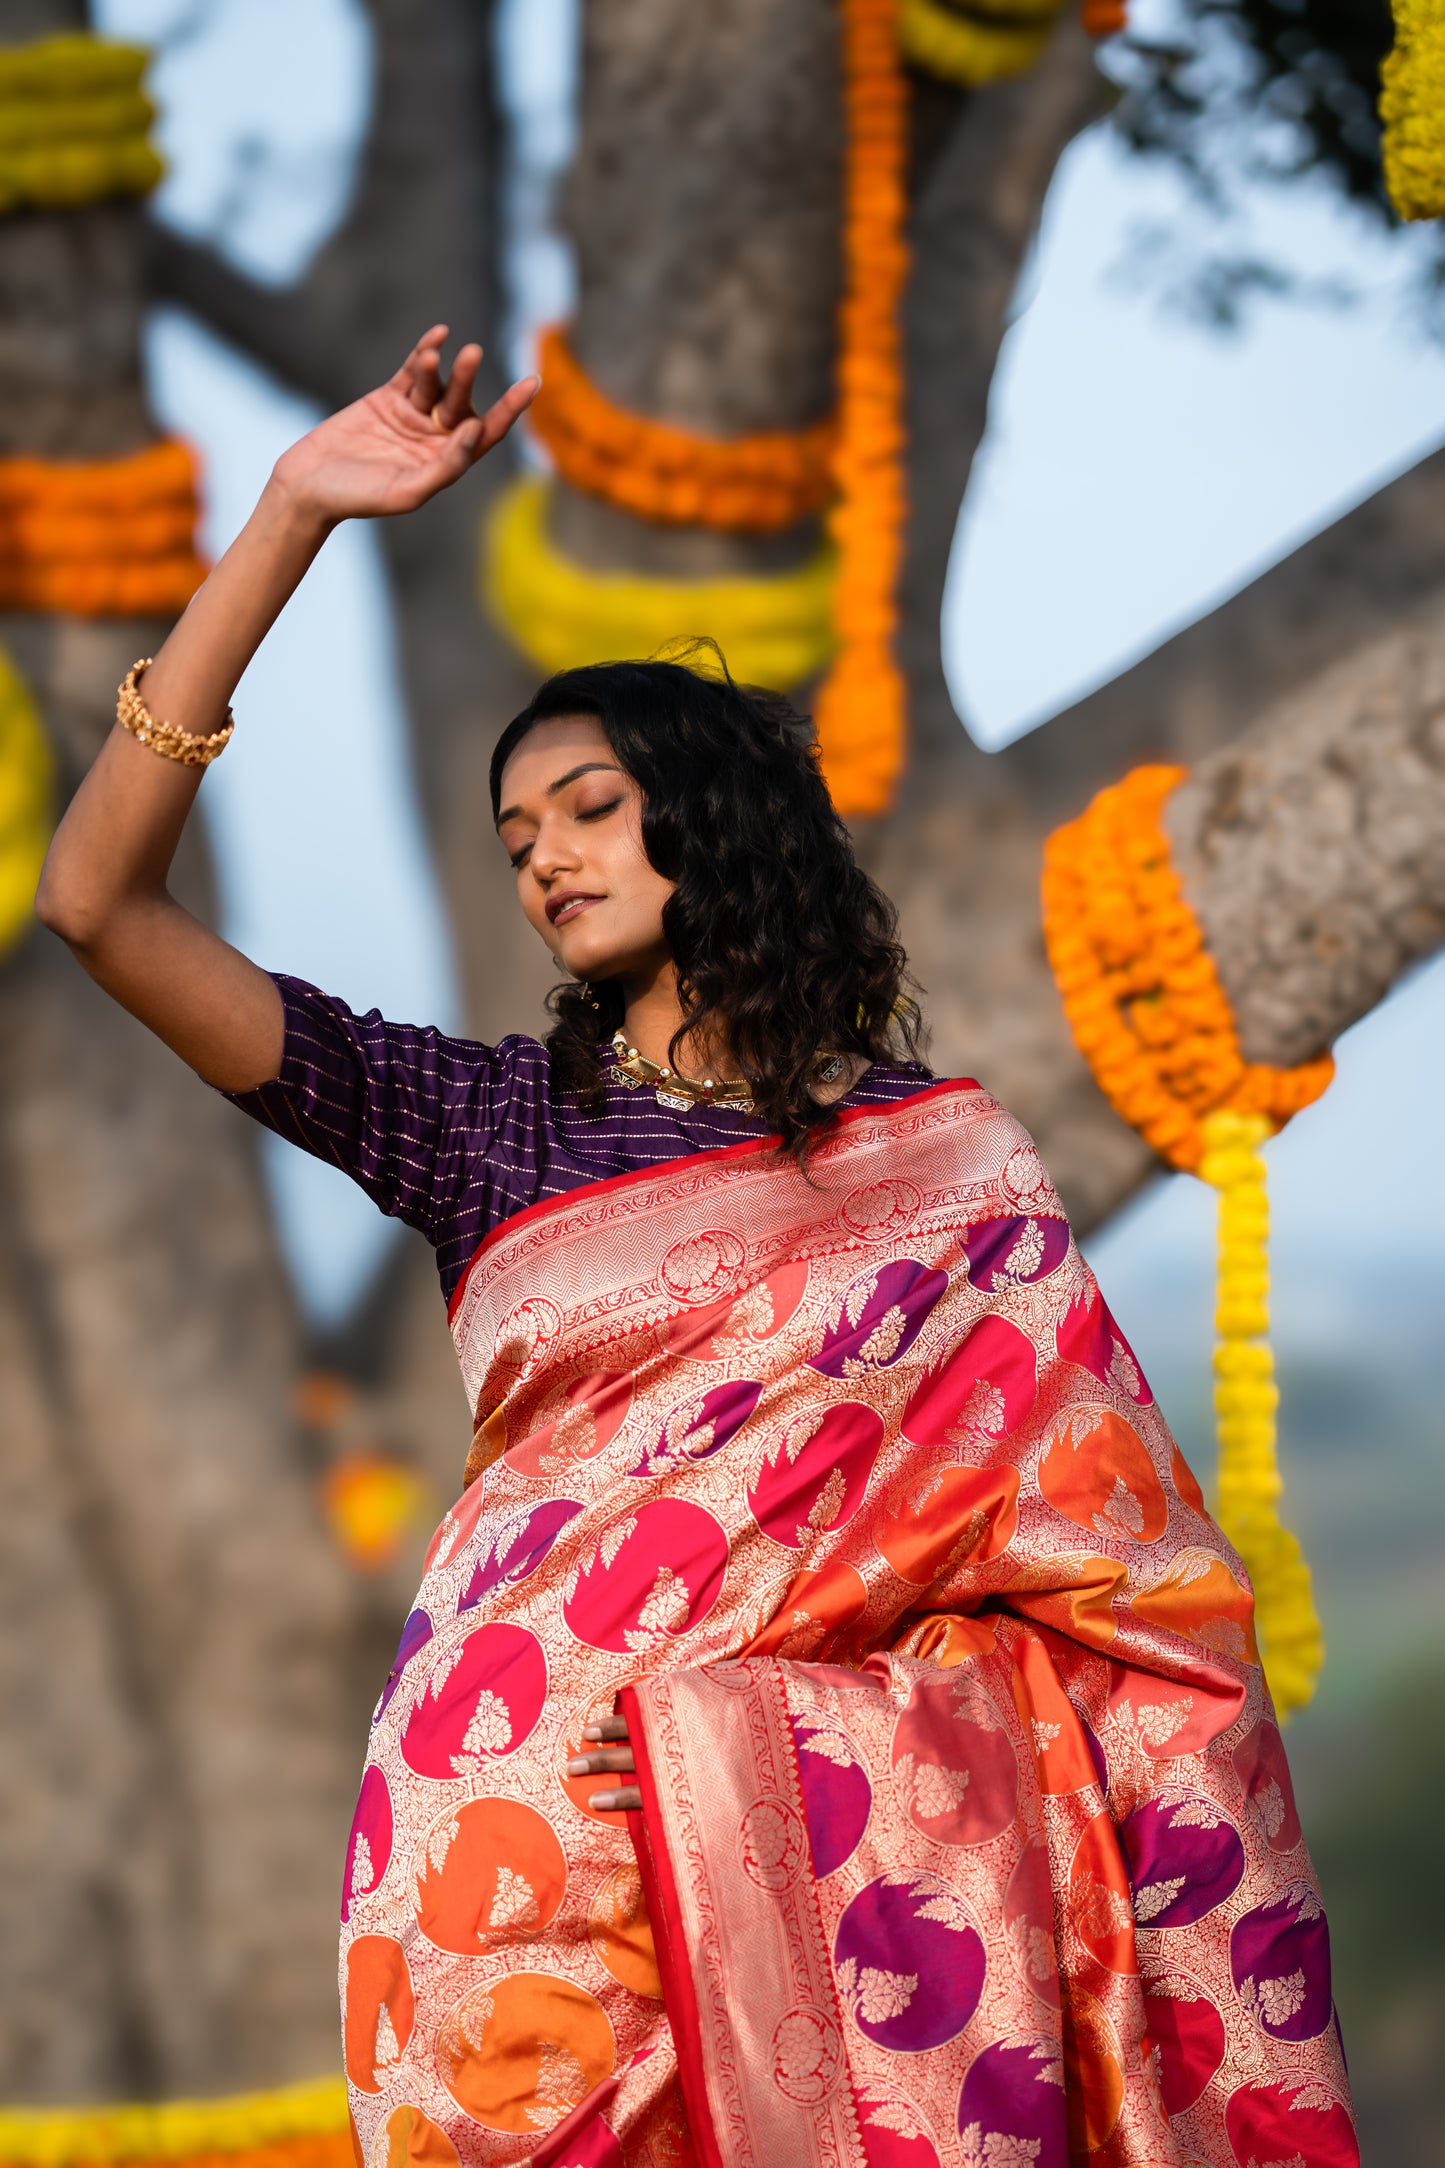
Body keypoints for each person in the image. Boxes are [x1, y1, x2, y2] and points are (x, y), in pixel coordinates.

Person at [38, 333, 1357, 2168]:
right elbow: (94, 905)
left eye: (587, 808)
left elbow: (1123, 1603)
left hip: (835, 1881)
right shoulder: (479, 1123)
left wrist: (744, 1755)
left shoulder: (951, 1177)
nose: (546, 860)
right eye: (514, 840)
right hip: (501, 1880)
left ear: (714, 819)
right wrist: (288, 515)